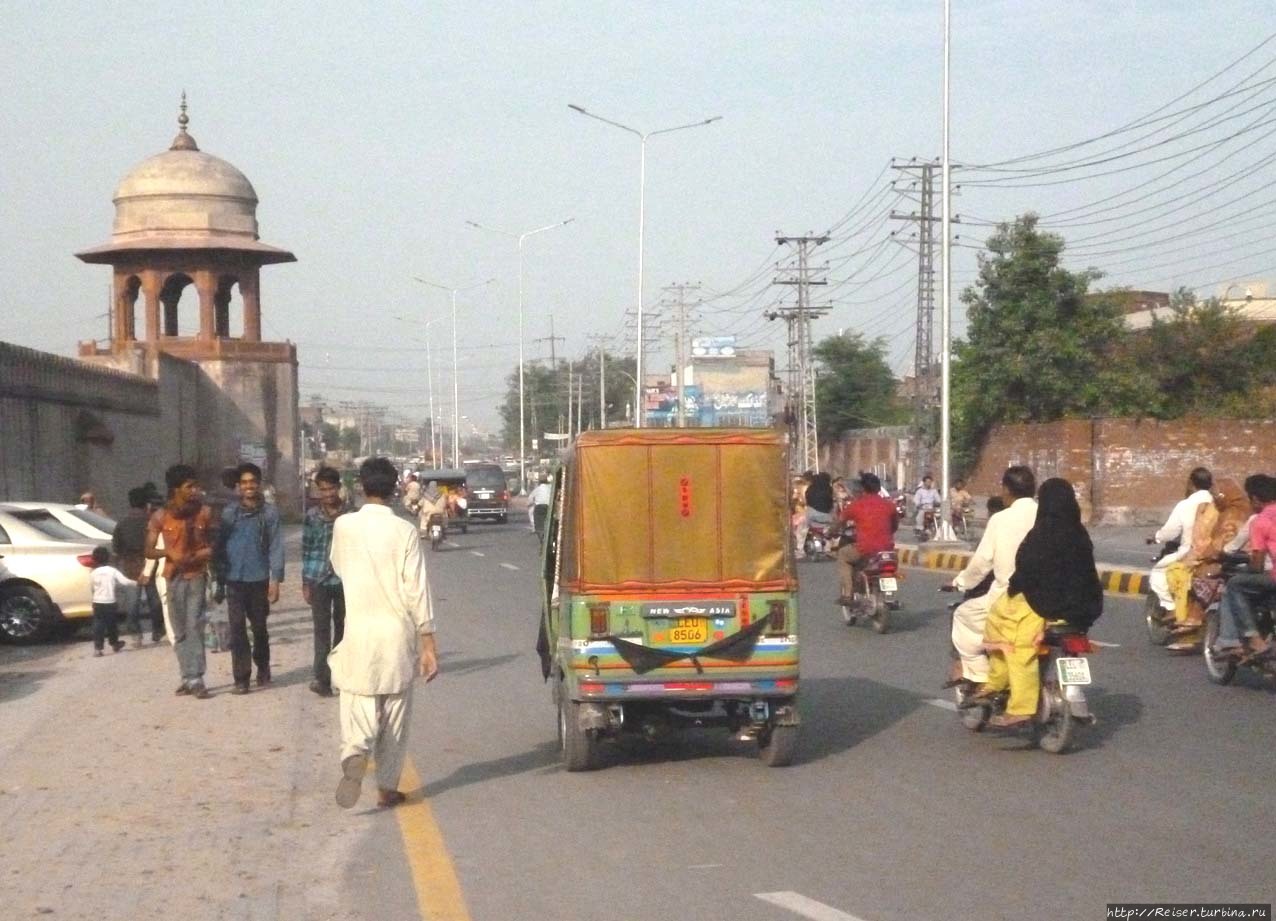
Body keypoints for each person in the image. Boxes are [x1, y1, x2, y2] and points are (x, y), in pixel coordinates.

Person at [329, 457, 439, 810]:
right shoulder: (404, 531)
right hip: (396, 633)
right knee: (394, 715)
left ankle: (355, 750)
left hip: (359, 629)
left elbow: (338, 567)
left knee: (357, 699)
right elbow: (416, 589)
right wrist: (428, 644)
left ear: (360, 486)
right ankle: (387, 787)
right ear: (394, 490)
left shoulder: (344, 527)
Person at [979, 478, 1102, 728]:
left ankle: (1012, 699)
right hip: (1083, 611)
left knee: (1008, 632)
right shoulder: (1080, 534)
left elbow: (1026, 570)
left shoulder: (1041, 534)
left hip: (1045, 607)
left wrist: (1014, 586)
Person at [946, 466, 1037, 690]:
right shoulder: (1048, 515)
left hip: (1008, 598)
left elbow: (981, 563)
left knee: (963, 616)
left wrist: (959, 582)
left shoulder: (1000, 519)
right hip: (1048, 598)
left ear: (1007, 490)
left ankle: (981, 676)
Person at [145, 464, 214, 699]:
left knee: (195, 625)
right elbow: (148, 550)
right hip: (173, 577)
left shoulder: (203, 513)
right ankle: (187, 676)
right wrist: (169, 554)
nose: (195, 490)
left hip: (196, 576)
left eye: (195, 485)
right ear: (176, 489)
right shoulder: (161, 516)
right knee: (179, 630)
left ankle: (197, 677)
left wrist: (201, 555)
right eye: (189, 486)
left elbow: (214, 545)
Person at [216, 462, 285, 694]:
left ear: (259, 484)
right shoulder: (229, 514)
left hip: (259, 579)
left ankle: (263, 667)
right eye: (244, 483)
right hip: (234, 579)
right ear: (238, 486)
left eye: (252, 482)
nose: (248, 486)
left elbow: (276, 546)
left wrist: (275, 579)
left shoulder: (270, 513)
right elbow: (220, 545)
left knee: (259, 628)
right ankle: (241, 678)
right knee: (237, 629)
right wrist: (217, 575)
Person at [1210, 473, 1276, 659]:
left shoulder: (1260, 521)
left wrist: (1245, 565)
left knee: (1234, 585)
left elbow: (1257, 565)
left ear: (1255, 499)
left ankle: (1249, 639)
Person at [302, 466, 347, 697]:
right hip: (318, 579)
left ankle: (339, 678)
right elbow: (307, 548)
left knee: (343, 630)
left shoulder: (351, 515)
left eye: (331, 488)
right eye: (323, 489)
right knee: (321, 631)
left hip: (345, 580)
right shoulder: (312, 516)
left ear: (338, 488)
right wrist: (305, 582)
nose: (327, 493)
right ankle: (321, 678)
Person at [1148, 467, 1214, 617]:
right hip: (1213, 552)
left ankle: (1170, 608)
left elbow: (1170, 532)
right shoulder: (1216, 502)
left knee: (1158, 572)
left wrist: (1156, 537)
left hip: (1190, 552)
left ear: (1191, 483)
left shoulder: (1185, 505)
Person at [835, 472, 899, 605]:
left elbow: (840, 522)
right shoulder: (889, 505)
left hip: (865, 549)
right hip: (887, 551)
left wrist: (830, 531)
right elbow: (894, 525)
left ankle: (848, 595)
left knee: (843, 555)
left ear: (863, 488)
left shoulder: (856, 505)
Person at [113, 486, 164, 647]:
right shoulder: (151, 521)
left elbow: (117, 547)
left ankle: (136, 634)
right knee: (155, 600)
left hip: (130, 567)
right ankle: (158, 630)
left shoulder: (122, 523)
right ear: (146, 504)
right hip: (150, 564)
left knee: (132, 603)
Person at [89, 545, 132, 656]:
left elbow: (92, 588)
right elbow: (124, 581)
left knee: (98, 624)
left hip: (97, 602)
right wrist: (136, 582)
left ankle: (98, 648)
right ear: (108, 558)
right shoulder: (112, 571)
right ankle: (114, 643)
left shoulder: (93, 573)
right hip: (110, 602)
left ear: (94, 559)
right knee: (111, 624)